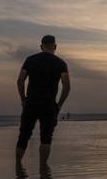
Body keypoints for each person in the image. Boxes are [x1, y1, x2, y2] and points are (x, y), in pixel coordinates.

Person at [16, 34, 71, 165]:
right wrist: (59, 105)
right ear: (55, 46)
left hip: (31, 103)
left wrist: (23, 99)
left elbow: (20, 81)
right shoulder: (60, 63)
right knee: (46, 138)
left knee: (24, 135)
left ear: (41, 47)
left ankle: (18, 166)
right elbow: (67, 86)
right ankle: (43, 167)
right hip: (49, 104)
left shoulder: (30, 60)